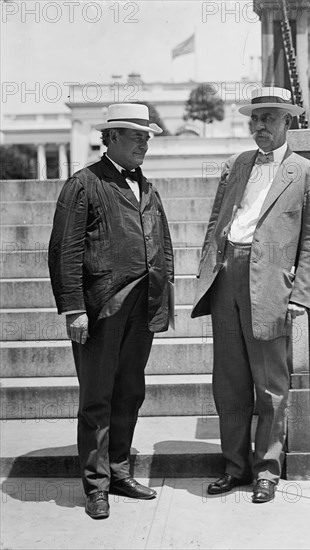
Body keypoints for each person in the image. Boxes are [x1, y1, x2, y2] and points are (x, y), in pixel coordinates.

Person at [192, 87, 310, 503]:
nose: (260, 125)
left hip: (271, 284)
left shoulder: (307, 174)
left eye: (269, 117)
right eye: (255, 118)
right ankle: (234, 467)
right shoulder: (236, 165)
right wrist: (209, 270)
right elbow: (218, 221)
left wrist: (301, 295)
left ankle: (267, 470)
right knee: (228, 383)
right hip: (227, 276)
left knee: (270, 384)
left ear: (288, 122)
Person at [48, 103, 174, 519]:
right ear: (112, 138)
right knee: (97, 397)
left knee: (130, 392)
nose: (145, 142)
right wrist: (74, 309)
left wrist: (165, 294)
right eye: (137, 135)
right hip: (102, 307)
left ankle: (119, 472)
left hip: (144, 304)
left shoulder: (147, 187)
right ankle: (96, 486)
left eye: (147, 136)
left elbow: (164, 245)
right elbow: (64, 250)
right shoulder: (84, 183)